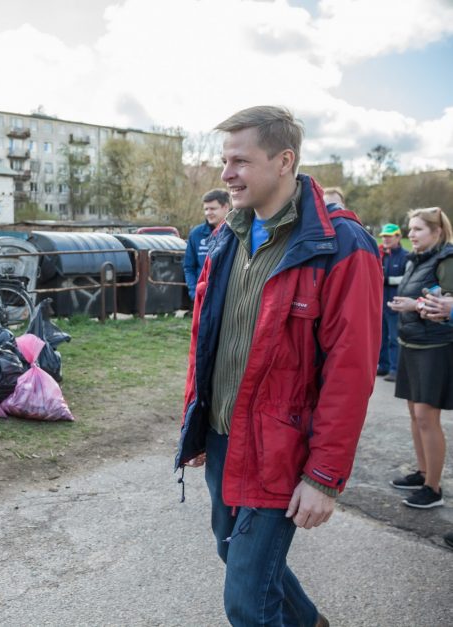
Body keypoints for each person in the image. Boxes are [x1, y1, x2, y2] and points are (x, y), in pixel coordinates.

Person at [176, 106, 382, 626]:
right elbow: (206, 338)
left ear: (285, 160)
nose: (226, 175)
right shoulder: (228, 236)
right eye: (225, 160)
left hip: (282, 448)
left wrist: (324, 476)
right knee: (234, 555)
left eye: (240, 161)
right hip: (225, 437)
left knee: (246, 602)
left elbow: (351, 373)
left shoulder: (341, 246)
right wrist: (196, 424)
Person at [385, 207, 453, 509]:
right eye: (410, 229)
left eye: (418, 230)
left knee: (427, 417)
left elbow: (445, 304)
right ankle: (423, 472)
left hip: (434, 347)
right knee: (415, 415)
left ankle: (433, 487)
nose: (411, 235)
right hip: (411, 343)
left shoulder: (446, 259)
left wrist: (415, 305)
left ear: (436, 232)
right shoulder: (418, 257)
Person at [183, 189, 231, 302]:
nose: (208, 213)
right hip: (203, 298)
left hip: (229, 298)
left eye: (213, 208)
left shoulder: (237, 233)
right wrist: (194, 293)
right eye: (206, 209)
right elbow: (189, 267)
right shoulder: (196, 234)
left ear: (226, 207)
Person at [378, 223, 408, 381]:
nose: (385, 239)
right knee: (381, 337)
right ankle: (383, 366)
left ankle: (395, 370)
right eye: (384, 236)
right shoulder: (382, 254)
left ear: (398, 237)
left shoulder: (406, 256)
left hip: (396, 304)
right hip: (381, 303)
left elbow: (407, 278)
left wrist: (388, 280)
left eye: (389, 236)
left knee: (394, 338)